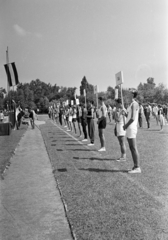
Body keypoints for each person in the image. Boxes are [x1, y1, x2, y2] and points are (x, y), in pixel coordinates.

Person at [122, 88, 141, 173]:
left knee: (133, 147)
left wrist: (125, 125)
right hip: (129, 127)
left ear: (133, 95)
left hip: (131, 127)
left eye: (129, 93)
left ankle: (137, 167)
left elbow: (133, 118)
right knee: (131, 147)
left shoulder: (135, 104)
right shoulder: (131, 104)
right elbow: (129, 116)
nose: (127, 95)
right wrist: (125, 112)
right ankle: (135, 166)